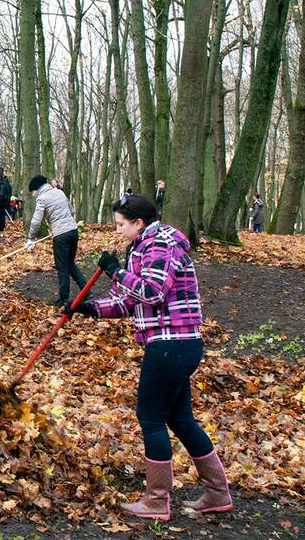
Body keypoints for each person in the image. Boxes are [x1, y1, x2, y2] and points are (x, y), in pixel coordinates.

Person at [66, 194, 231, 521]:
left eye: (121, 225)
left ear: (139, 222)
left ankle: (157, 501)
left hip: (173, 343)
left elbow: (152, 292)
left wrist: (115, 271)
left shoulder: (161, 245)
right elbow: (128, 302)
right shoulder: (143, 246)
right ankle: (217, 492)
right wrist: (88, 309)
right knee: (180, 420)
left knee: (151, 418)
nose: (118, 232)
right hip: (172, 344)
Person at [25, 175, 87, 307]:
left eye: (32, 193)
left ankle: (64, 299)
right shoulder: (59, 192)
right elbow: (71, 210)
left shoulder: (42, 199)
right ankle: (87, 292)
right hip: (73, 231)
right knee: (70, 264)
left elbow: (36, 221)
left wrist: (31, 238)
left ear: (36, 189)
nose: (33, 195)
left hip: (61, 236)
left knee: (62, 267)